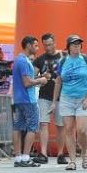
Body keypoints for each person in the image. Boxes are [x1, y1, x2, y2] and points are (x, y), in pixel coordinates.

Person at [52, 35, 87, 170]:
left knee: (82, 130)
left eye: (79, 44)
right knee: (68, 129)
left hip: (83, 98)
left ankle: (84, 153)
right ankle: (72, 161)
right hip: (67, 98)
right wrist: (54, 101)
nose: (77, 46)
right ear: (69, 47)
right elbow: (58, 81)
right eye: (74, 44)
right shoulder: (63, 61)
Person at [11, 36, 46, 168]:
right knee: (32, 127)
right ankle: (26, 156)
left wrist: (36, 79)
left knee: (18, 127)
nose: (37, 48)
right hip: (28, 99)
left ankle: (18, 157)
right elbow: (27, 82)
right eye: (35, 45)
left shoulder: (18, 60)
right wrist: (40, 80)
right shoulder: (24, 61)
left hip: (19, 98)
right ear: (29, 45)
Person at [33, 33, 64, 164]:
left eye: (50, 44)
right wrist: (41, 77)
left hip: (61, 96)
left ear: (55, 43)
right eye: (45, 45)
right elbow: (32, 78)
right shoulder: (39, 59)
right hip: (45, 95)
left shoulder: (63, 57)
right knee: (43, 124)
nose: (48, 47)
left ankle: (61, 153)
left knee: (61, 125)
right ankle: (43, 153)